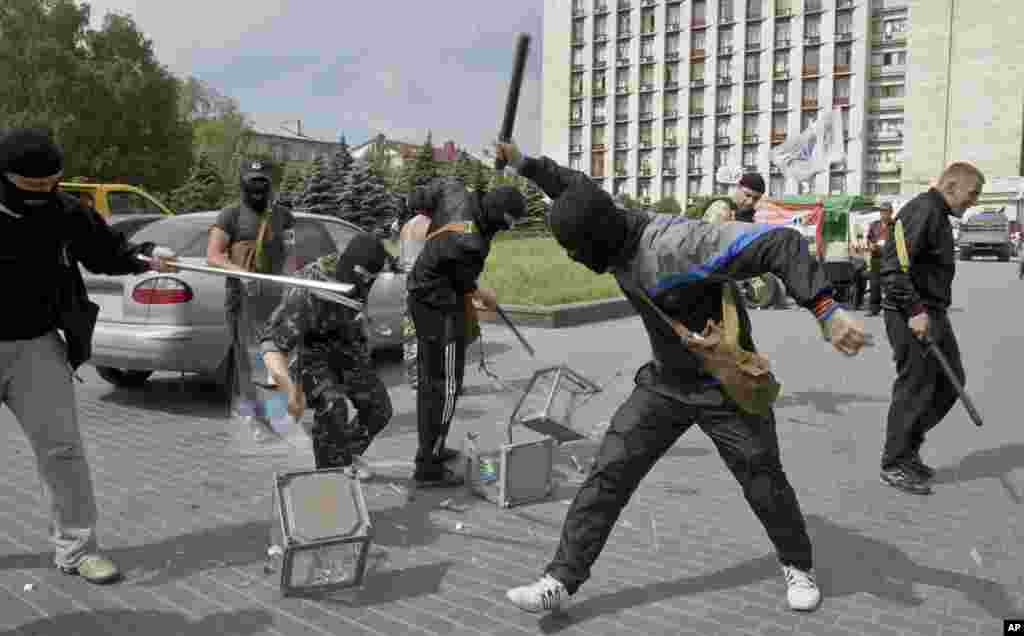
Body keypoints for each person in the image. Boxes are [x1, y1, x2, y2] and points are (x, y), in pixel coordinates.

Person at [494, 141, 868, 614]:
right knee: (610, 471)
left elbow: (782, 243)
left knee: (763, 479)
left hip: (724, 387)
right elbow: (569, 186)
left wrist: (827, 310)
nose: (574, 259)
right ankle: (561, 579)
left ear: (597, 238)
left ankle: (798, 563)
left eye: (575, 250)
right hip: (665, 384)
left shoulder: (678, 246)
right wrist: (523, 163)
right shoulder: (604, 218)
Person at [0, 128, 177, 584]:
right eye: (31, 186)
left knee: (62, 451)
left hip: (37, 347)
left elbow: (105, 252)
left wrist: (147, 256)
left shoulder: (64, 211)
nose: (43, 193)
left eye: (51, 184)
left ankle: (77, 549)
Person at [406, 177, 528, 487]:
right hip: (440, 308)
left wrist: (426, 224)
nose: (506, 231)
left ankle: (432, 447)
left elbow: (416, 196)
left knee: (429, 382)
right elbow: (462, 285)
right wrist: (479, 292)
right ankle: (428, 467)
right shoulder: (472, 244)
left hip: (420, 295)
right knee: (446, 387)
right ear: (499, 216)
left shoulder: (453, 188)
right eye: (508, 224)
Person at [877, 163, 983, 495]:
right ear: (952, 186)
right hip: (912, 313)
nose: (973, 201)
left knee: (951, 382)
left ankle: (907, 448)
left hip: (932, 311)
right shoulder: (922, 211)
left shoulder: (937, 214)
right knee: (915, 386)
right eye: (972, 193)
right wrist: (914, 310)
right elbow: (892, 268)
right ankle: (894, 462)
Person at [260, 233, 393, 479]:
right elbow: (271, 345)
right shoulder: (307, 289)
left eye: (371, 279)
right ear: (349, 266)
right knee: (333, 406)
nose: (366, 285)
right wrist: (290, 391)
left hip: (346, 343)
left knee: (379, 408)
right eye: (363, 277)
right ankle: (329, 479)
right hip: (311, 350)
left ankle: (344, 455)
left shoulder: (363, 275)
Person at [206, 158, 296, 445]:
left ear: (270, 185)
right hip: (243, 300)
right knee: (249, 362)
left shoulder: (283, 216)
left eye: (263, 183)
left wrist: (293, 282)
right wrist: (241, 274)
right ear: (243, 183)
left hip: (276, 301)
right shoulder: (230, 215)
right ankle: (254, 419)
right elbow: (214, 255)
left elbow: (292, 255)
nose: (257, 189)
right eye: (252, 183)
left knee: (276, 361)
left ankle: (274, 415)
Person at [398, 207, 433, 390]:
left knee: (411, 333)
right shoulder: (432, 225)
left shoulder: (407, 226)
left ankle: (414, 377)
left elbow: (401, 259)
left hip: (409, 285)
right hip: (427, 285)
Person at [866, 202, 894, 316]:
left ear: (891, 212)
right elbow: (869, 239)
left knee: (890, 284)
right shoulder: (874, 225)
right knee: (874, 284)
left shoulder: (895, 225)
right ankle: (874, 309)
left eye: (885, 211)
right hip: (876, 258)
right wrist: (870, 245)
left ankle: (891, 308)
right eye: (881, 211)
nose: (883, 214)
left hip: (889, 258)